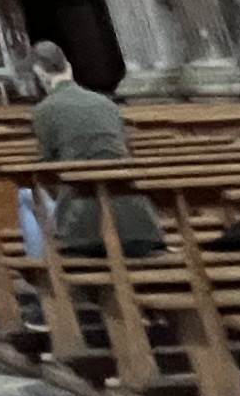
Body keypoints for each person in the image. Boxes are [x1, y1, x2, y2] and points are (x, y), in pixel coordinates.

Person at [27, 37, 162, 255]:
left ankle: (39, 265)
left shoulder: (45, 110)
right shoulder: (106, 104)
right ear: (69, 67)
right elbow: (127, 151)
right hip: (141, 223)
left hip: (83, 230)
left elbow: (48, 170)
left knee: (27, 197)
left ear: (39, 73)